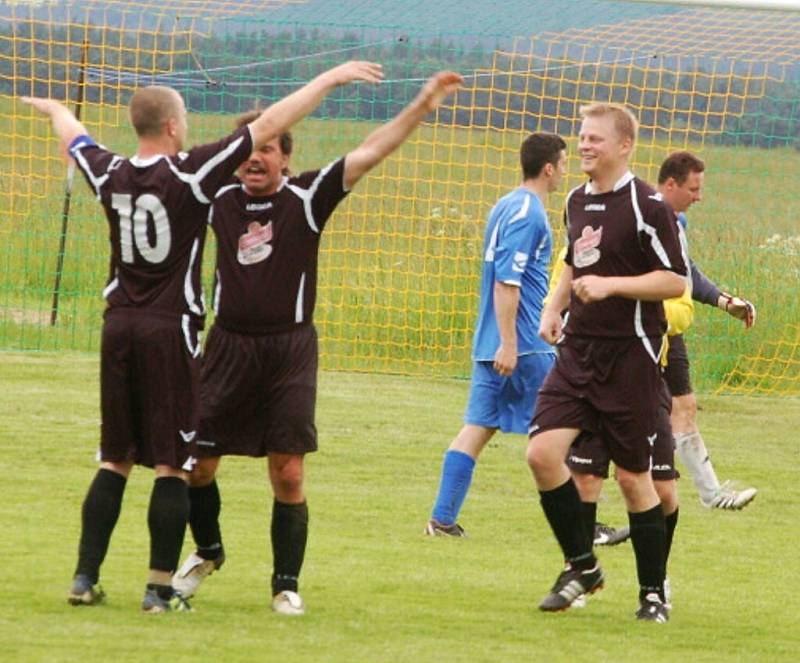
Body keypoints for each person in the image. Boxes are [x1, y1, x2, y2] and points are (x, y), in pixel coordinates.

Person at [22, 60, 384, 614]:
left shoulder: (109, 171)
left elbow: (77, 140)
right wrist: (329, 80)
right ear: (171, 126)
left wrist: (54, 110)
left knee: (114, 457)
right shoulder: (190, 174)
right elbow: (270, 123)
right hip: (169, 330)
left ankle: (83, 576)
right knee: (173, 462)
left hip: (117, 324)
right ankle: (158, 588)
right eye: (184, 118)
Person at [171, 71, 463, 615]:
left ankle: (285, 585)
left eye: (267, 148)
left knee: (288, 471)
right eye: (248, 150)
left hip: (289, 352)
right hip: (227, 348)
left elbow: (372, 150)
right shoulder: (217, 199)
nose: (254, 158)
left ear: (285, 157)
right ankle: (207, 552)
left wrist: (422, 103)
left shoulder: (307, 196)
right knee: (196, 465)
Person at [527, 102, 686, 622]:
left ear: (624, 146)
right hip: (577, 352)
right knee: (542, 454)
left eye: (595, 138)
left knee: (633, 480)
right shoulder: (575, 200)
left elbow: (674, 280)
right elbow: (575, 262)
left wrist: (614, 286)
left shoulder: (649, 205)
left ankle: (653, 594)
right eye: (582, 137)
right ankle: (583, 566)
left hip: (631, 358)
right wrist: (554, 306)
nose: (584, 146)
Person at [423, 133, 566, 537]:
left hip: (492, 343)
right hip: (523, 344)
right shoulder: (529, 212)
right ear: (549, 167)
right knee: (567, 424)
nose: (565, 173)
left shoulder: (504, 204)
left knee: (478, 427)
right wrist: (511, 342)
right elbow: (507, 282)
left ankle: (442, 518)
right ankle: (584, 523)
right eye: (563, 163)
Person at [657, 152, 757, 510]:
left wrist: (725, 301)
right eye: (693, 188)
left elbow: (688, 275)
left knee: (684, 406)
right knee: (637, 414)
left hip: (672, 332)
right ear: (671, 184)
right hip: (645, 331)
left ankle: (711, 494)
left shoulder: (677, 223)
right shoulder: (646, 220)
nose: (699, 197)